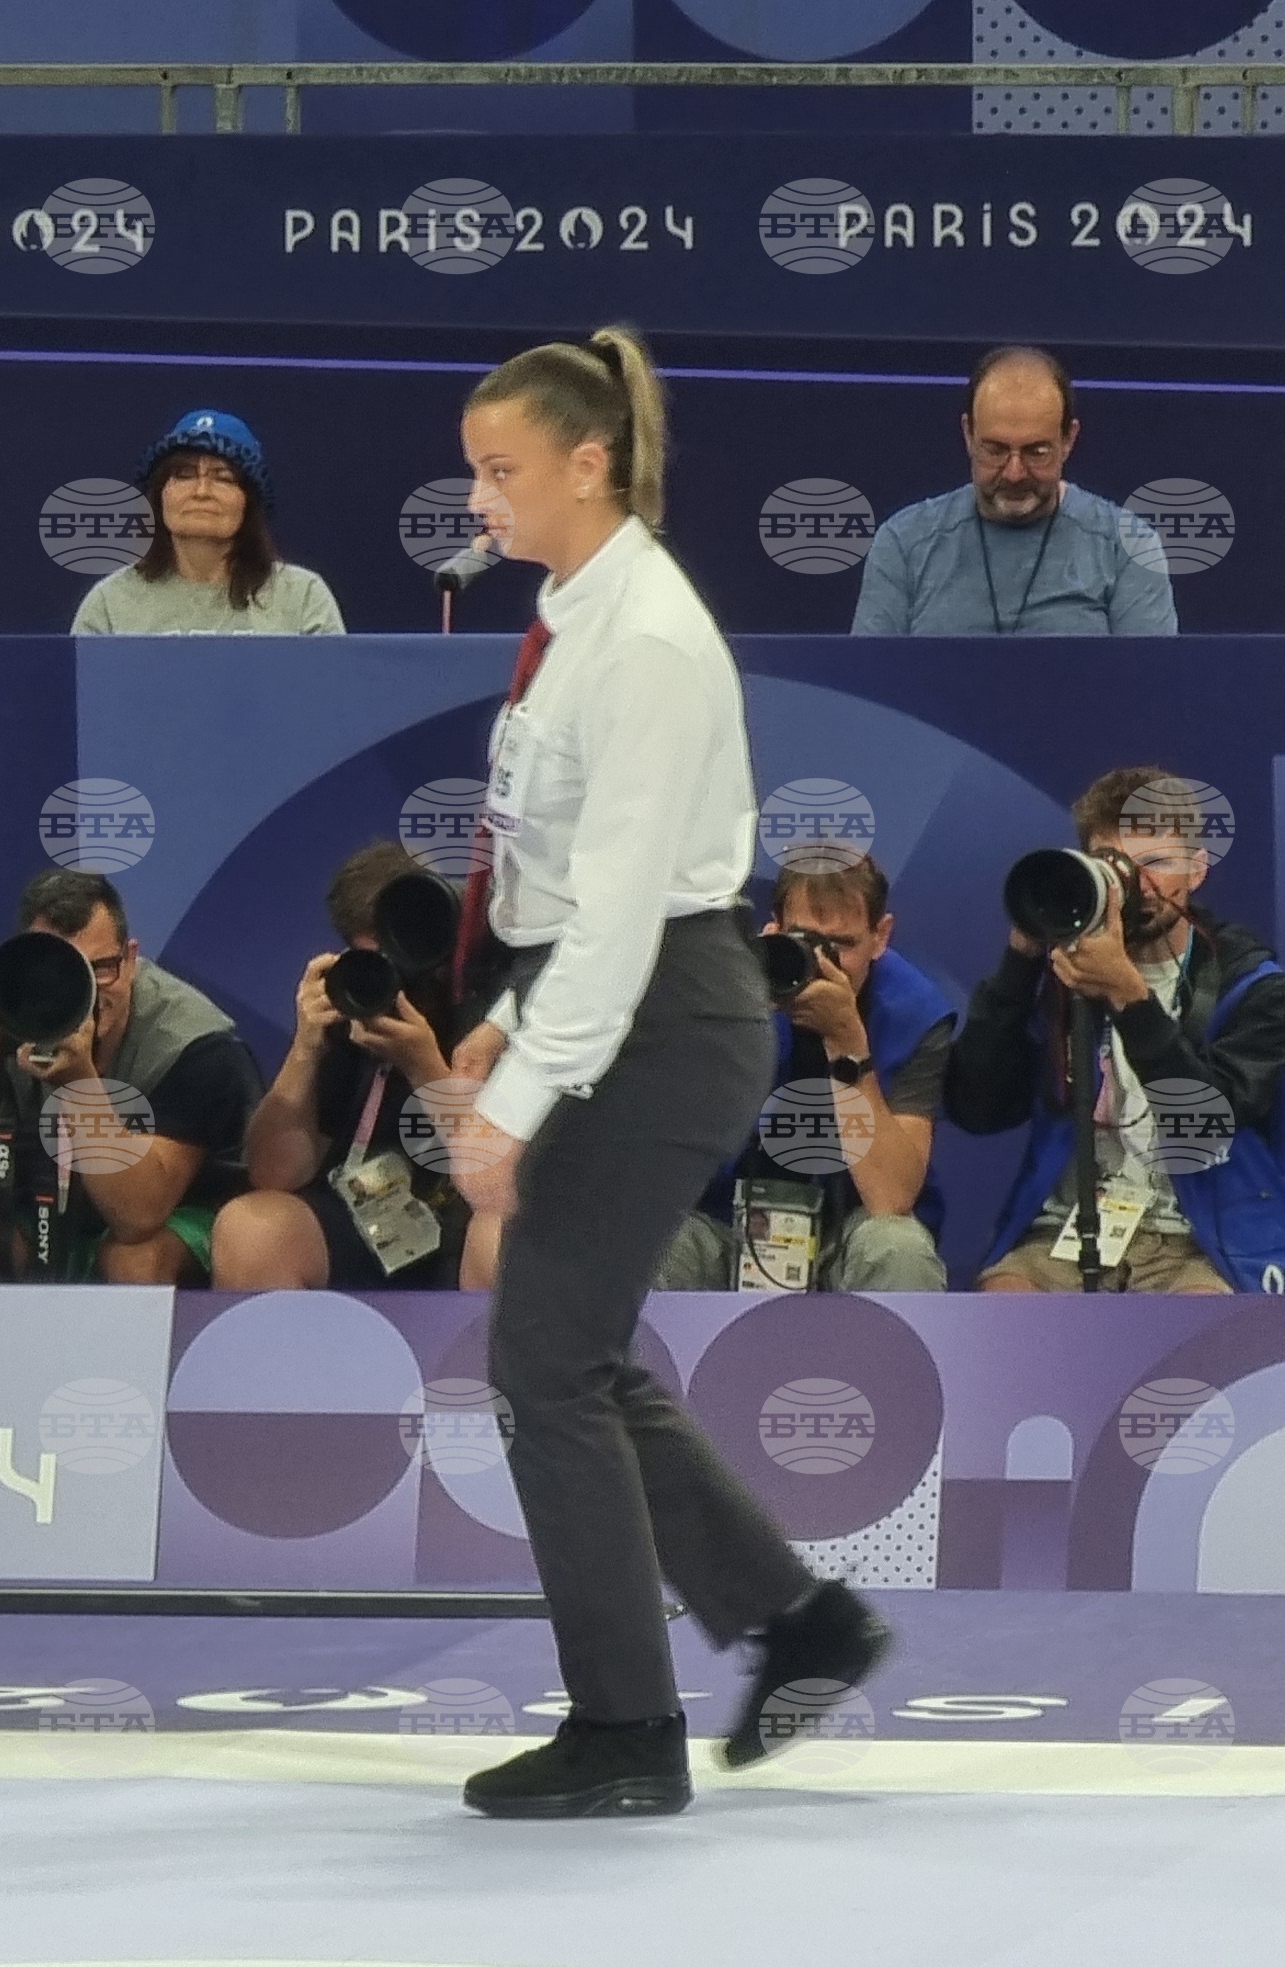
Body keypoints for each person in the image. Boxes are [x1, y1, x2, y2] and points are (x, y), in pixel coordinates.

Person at [440, 325, 886, 1819]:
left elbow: (628, 910)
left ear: (588, 464)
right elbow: (571, 884)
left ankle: (627, 1728)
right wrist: (513, 1012)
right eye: (474, 470)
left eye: (501, 469)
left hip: (666, 1012)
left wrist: (509, 1107)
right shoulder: (580, 615)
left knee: (543, 1359)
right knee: (572, 1347)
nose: (480, 498)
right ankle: (799, 1620)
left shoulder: (641, 638)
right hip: (622, 999)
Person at [949, 766, 1285, 1295]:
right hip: (1067, 1230)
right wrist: (1020, 959)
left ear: (1197, 870)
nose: (1138, 885)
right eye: (1115, 864)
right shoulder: (1064, 972)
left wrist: (1129, 997)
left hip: (1202, 1241)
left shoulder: (1256, 987)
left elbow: (1205, 1128)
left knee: (1204, 1326)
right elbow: (978, 1110)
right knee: (1001, 1309)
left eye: (1156, 863)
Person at [0, 869, 260, 1285]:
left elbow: (138, 1217)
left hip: (171, 1215)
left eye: (100, 968)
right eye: (61, 971)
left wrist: (80, 1086)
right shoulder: (4, 1013)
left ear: (130, 959)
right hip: (43, 1210)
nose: (84, 991)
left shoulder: (193, 1044)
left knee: (134, 1262)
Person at [651, 854, 954, 1294]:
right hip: (727, 1224)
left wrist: (847, 1044)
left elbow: (891, 1197)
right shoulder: (725, 991)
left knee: (899, 1248)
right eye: (806, 939)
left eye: (843, 945)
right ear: (776, 927)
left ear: (880, 936)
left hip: (848, 1232)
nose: (823, 963)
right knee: (656, 1246)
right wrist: (737, 1007)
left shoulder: (915, 1013)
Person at [210, 843, 489, 1293]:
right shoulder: (356, 1001)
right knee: (251, 1230)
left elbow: (498, 1175)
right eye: (371, 955)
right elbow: (275, 1174)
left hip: (466, 1221)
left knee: (498, 1239)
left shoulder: (486, 1001)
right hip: (367, 1222)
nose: (393, 974)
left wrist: (423, 1067)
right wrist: (306, 1048)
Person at [852, 347, 1177, 637]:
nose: (1014, 473)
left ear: (1068, 440)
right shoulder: (904, 543)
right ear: (968, 435)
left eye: (1037, 452)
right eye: (995, 450)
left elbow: (1149, 681)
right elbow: (867, 680)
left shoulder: (1128, 546)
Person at [70, 409, 346, 637]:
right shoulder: (110, 603)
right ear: (160, 495)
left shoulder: (302, 597)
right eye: (185, 474)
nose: (201, 491)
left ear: (249, 501)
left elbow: (333, 686)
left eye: (223, 477)